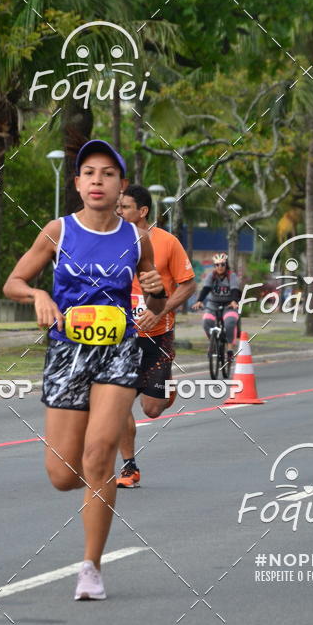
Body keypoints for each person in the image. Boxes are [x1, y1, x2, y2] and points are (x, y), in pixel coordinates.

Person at [3, 140, 165, 599]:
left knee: (98, 458)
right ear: (77, 184)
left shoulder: (137, 238)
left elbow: (153, 299)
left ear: (121, 187)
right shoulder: (58, 231)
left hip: (118, 350)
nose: (98, 180)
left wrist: (153, 291)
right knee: (62, 475)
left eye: (108, 174)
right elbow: (14, 281)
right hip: (66, 353)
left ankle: (91, 568)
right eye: (89, 173)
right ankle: (96, 482)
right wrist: (38, 296)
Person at [115, 185, 195, 488]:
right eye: (118, 206)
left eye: (125, 207)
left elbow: (188, 285)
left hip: (158, 336)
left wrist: (160, 312)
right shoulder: (111, 241)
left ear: (143, 211)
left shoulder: (167, 242)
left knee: (151, 408)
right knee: (120, 403)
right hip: (122, 337)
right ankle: (129, 467)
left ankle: (166, 389)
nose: (119, 212)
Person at [191, 252, 241, 366]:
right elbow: (206, 289)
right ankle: (212, 343)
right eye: (217, 265)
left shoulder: (231, 276)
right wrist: (199, 301)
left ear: (226, 265)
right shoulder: (211, 276)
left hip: (229, 305)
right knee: (206, 321)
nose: (219, 267)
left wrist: (234, 301)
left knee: (230, 322)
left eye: (222, 264)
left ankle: (229, 350)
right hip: (213, 303)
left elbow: (234, 290)